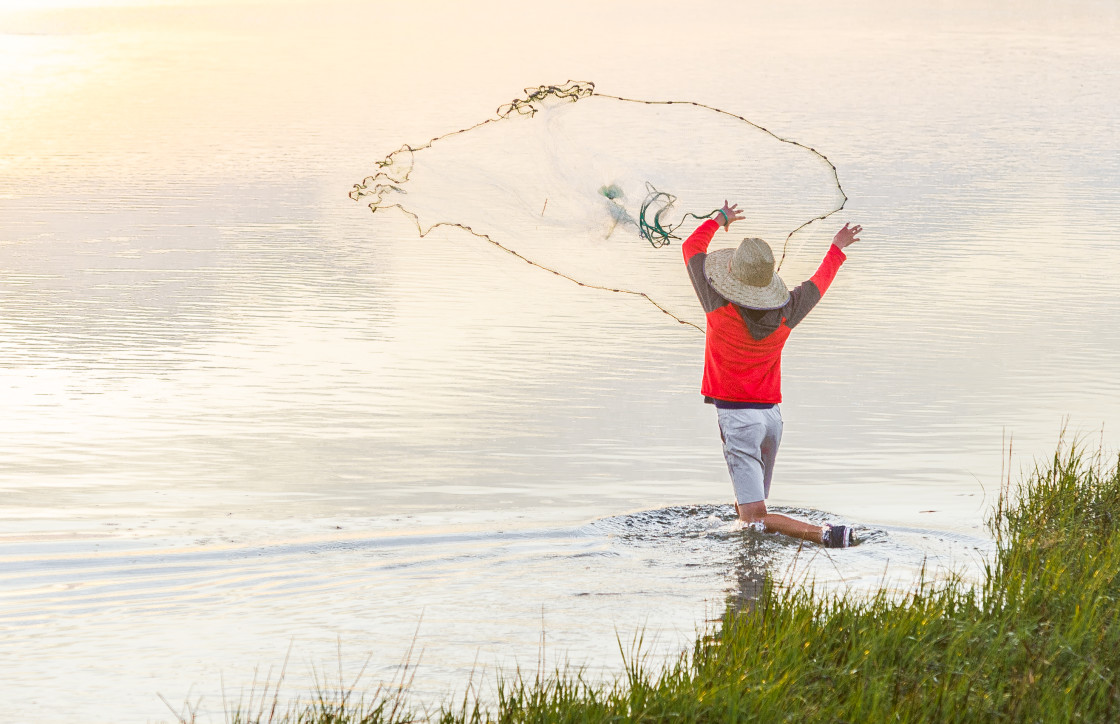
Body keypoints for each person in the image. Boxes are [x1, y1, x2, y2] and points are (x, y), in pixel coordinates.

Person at [683, 201, 862, 548]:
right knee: (747, 511)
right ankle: (752, 558)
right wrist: (836, 248)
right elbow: (818, 284)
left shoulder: (716, 304)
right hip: (771, 420)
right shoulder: (788, 311)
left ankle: (828, 535)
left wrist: (721, 219)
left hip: (739, 421)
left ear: (732, 278)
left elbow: (691, 247)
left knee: (754, 516)